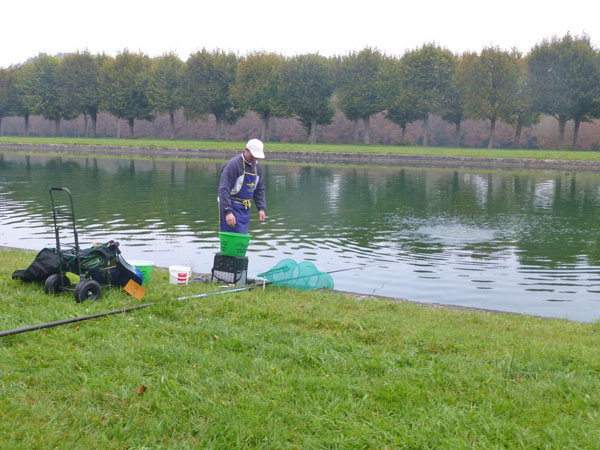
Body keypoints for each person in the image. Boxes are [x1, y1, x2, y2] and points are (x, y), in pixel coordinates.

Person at [218, 138, 266, 234]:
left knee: (242, 237)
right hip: (231, 206)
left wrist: (261, 208)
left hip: (245, 209)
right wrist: (228, 212)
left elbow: (259, 190)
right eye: (252, 155)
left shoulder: (257, 167)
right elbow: (223, 190)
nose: (254, 159)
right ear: (246, 150)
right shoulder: (233, 165)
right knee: (232, 238)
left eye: (256, 157)